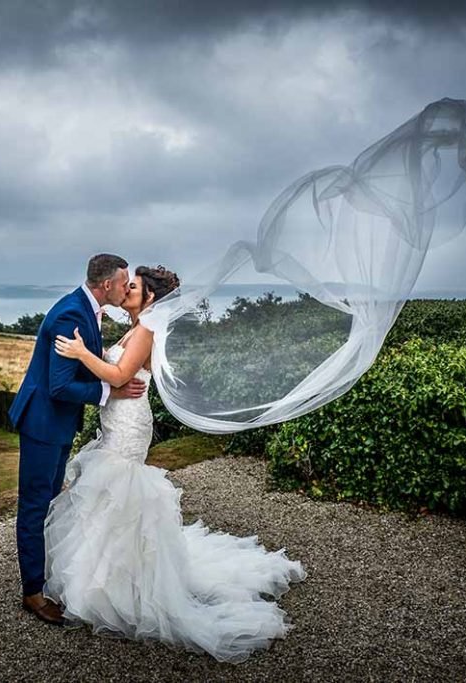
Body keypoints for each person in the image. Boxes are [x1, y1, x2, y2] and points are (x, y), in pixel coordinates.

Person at [45, 265, 307, 663]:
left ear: (149, 297)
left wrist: (82, 354)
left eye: (133, 286)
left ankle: (120, 586)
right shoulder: (136, 327)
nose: (127, 289)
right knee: (110, 498)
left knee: (121, 495)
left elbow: (119, 374)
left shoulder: (147, 329)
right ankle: (102, 578)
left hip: (129, 425)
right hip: (118, 419)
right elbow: (114, 373)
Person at [7, 253, 147, 626]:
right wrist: (109, 393)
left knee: (51, 501)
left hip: (57, 424)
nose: (126, 287)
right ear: (107, 286)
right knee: (36, 505)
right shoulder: (71, 314)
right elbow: (60, 384)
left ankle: (47, 575)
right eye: (124, 281)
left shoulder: (87, 309)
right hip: (43, 424)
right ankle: (32, 593)